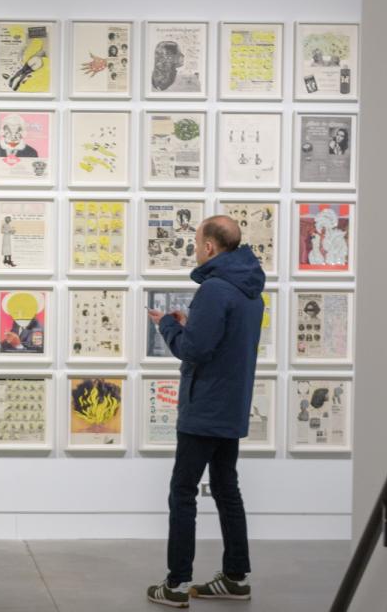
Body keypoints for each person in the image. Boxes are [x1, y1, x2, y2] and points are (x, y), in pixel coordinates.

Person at [144, 215, 264, 607]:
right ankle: (235, 577)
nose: (195, 249)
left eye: (197, 243)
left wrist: (167, 326)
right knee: (227, 490)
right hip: (230, 407)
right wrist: (190, 324)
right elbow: (223, 343)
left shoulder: (214, 289)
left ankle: (177, 584)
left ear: (210, 246)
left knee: (183, 492)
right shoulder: (249, 290)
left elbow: (194, 351)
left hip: (204, 408)